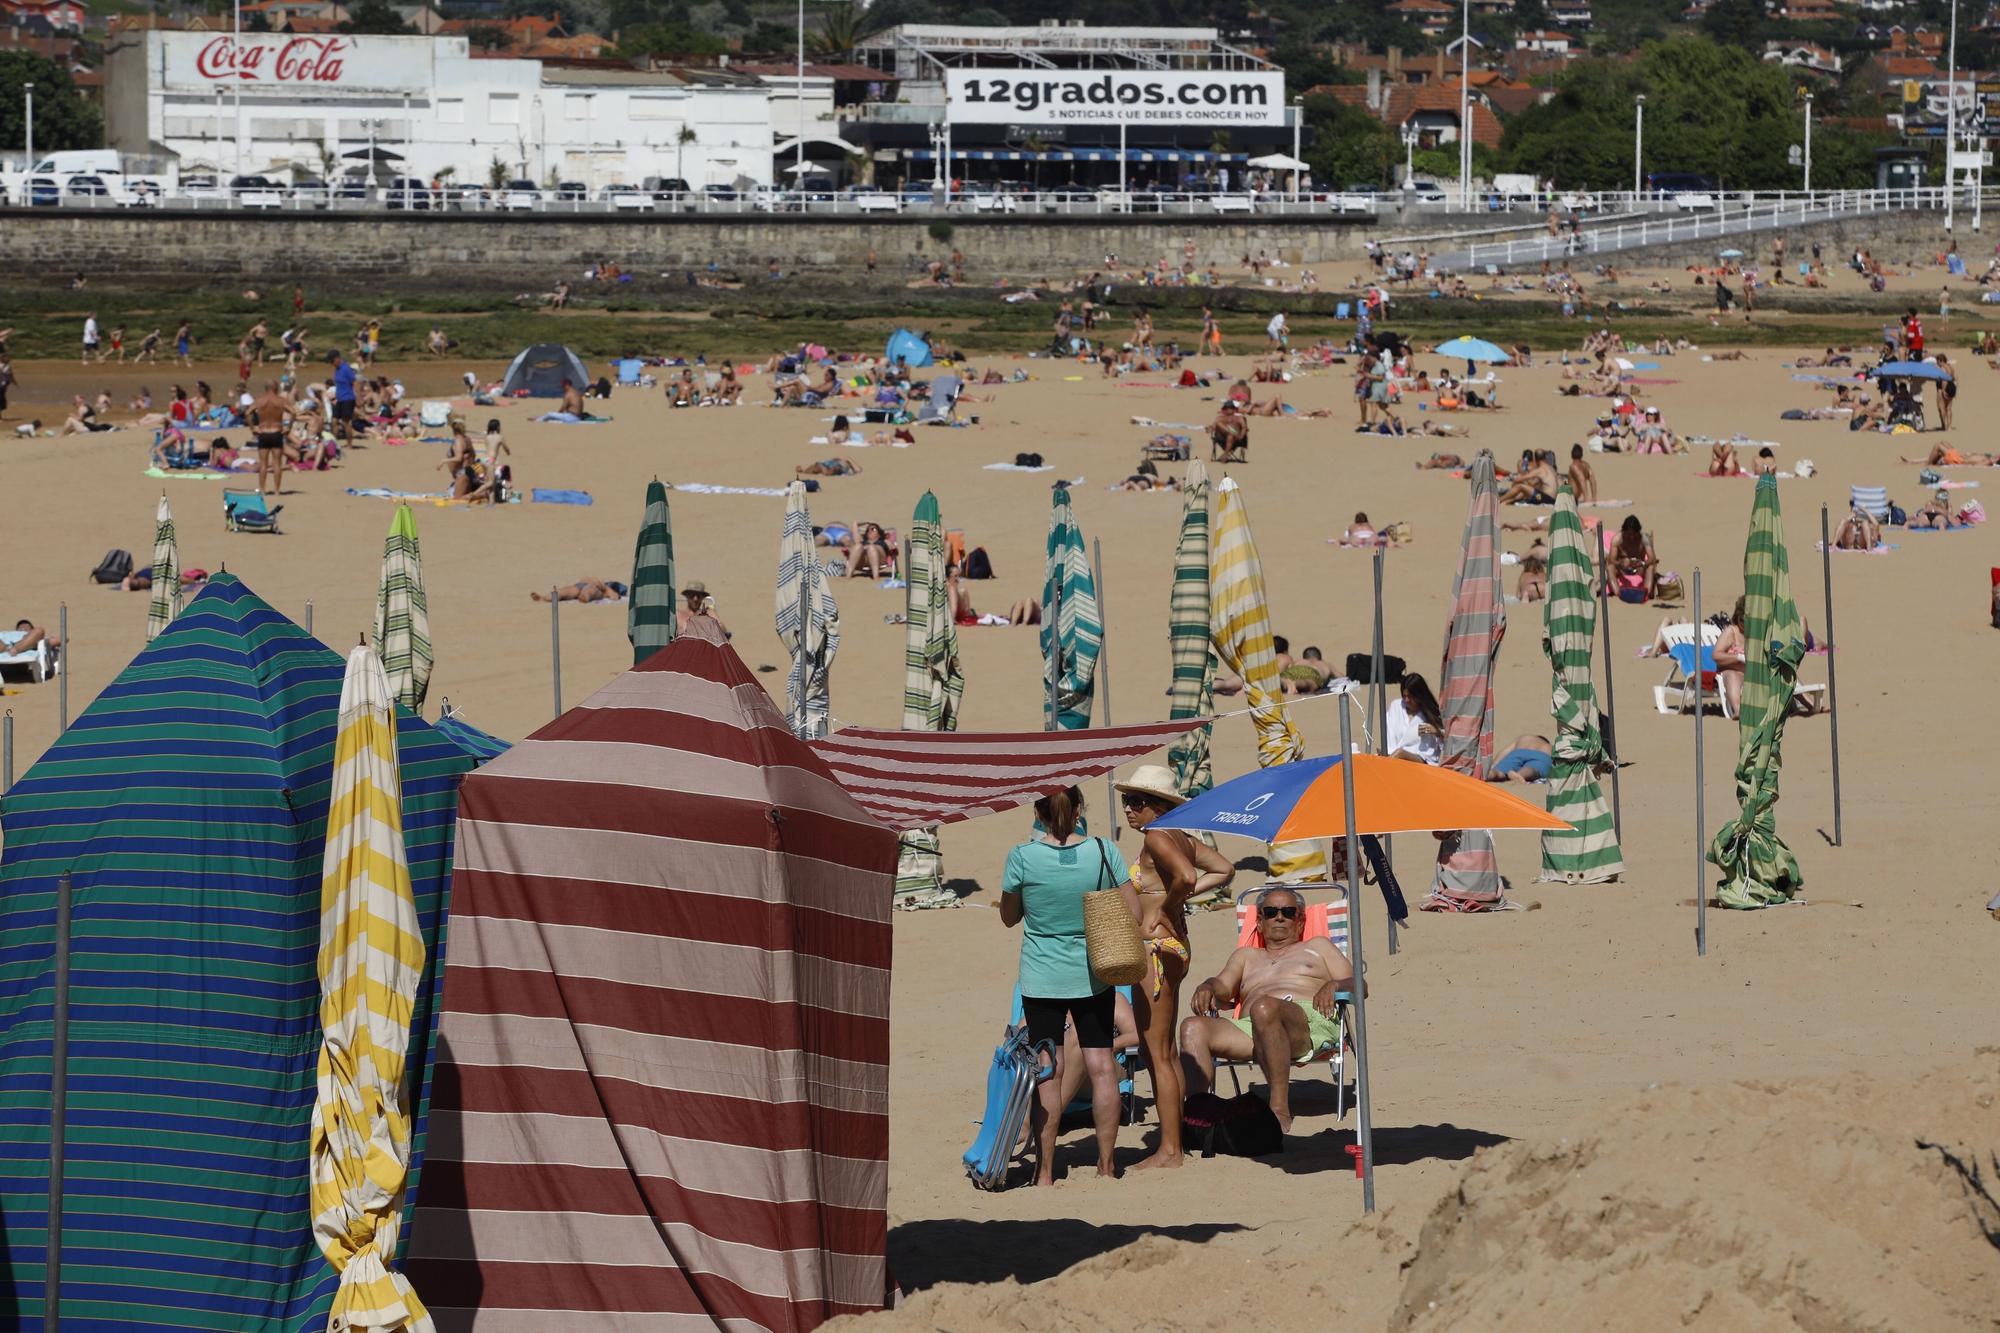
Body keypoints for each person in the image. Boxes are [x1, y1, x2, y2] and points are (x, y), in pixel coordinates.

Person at [999, 786, 1140, 1185]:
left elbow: (1010, 918)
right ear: (1080, 807)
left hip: (1043, 975)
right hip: (1093, 971)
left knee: (1050, 1071)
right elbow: (1133, 910)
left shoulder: (1022, 857)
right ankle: (1107, 1166)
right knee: (1101, 1066)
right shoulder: (1103, 850)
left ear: (1038, 813)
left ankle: (1044, 1172)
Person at [1115, 766, 1234, 1170]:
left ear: (1160, 806)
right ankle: (1177, 1135)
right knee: (1161, 1048)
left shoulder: (1158, 836)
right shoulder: (1182, 836)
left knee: (1158, 1052)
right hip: (1174, 947)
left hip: (1155, 951)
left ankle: (1170, 1150)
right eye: (1126, 801)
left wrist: (1166, 907)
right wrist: (1177, 902)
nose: (1129, 809)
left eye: (1137, 802)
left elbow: (1184, 876)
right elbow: (1224, 870)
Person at [1178, 886, 1353, 1134]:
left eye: (1288, 912)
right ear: (1259, 922)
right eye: (1271, 912)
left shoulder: (1319, 946)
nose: (1279, 917)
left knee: (1264, 1007)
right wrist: (1208, 985)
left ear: (1301, 921)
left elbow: (1357, 983)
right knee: (1192, 1027)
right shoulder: (1246, 956)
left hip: (1307, 1023)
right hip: (1251, 1026)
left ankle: (1278, 1110)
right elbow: (1223, 986)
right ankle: (1196, 1117)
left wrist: (1335, 984)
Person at [1384, 673, 1443, 764]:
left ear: (1419, 695)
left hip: (1422, 758)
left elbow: (1447, 741)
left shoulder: (1430, 713)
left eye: (1410, 697)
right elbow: (1389, 734)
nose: (1407, 700)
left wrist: (1436, 731)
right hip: (1394, 754)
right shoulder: (1396, 706)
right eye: (1404, 696)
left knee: (1400, 753)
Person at [248, 380, 293, 498]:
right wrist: (288, 427)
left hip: (263, 433)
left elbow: (247, 413)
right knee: (277, 464)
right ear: (275, 388)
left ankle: (262, 490)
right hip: (276, 432)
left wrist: (253, 428)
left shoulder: (259, 400)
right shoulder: (280, 401)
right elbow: (293, 412)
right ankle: (277, 491)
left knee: (263, 464)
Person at [1611, 515, 1658, 601]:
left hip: (1639, 568)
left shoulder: (1644, 539)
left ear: (1638, 532)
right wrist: (1621, 563)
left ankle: (1645, 593)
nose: (1631, 537)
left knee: (1650, 567)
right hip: (1622, 569)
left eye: (1634, 534)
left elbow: (1652, 558)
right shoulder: (1617, 539)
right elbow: (1611, 560)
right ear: (1624, 531)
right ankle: (1618, 593)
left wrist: (1642, 564)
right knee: (1609, 567)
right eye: (1628, 534)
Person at [1715, 596, 1748, 715]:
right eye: (1742, 620)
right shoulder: (1732, 632)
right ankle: (1738, 710)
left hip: (1752, 674)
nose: (1744, 624)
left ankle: (1807, 700)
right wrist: (1738, 657)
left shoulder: (1757, 634)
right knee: (1732, 676)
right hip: (1732, 671)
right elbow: (1716, 655)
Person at [1487, 734, 1553, 782]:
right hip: (1542, 755)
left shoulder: (1524, 738)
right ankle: (1521, 774)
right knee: (1533, 769)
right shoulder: (1549, 746)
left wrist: (1494, 765)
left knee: (1499, 772)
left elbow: (1504, 752)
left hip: (1520, 752)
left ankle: (1490, 775)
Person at [328, 350, 358, 452]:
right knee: (334, 421)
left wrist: (358, 397)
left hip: (348, 399)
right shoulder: (337, 369)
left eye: (332, 361)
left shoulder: (346, 369)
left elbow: (355, 382)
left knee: (346, 422)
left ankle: (350, 444)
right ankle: (333, 442)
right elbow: (339, 385)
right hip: (339, 399)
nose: (331, 363)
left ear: (337, 358)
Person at [531, 579, 628, 603]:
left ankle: (544, 598)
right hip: (593, 587)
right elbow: (614, 596)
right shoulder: (607, 588)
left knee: (565, 591)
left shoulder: (604, 587)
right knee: (591, 589)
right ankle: (585, 596)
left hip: (580, 585)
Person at [1936, 353, 1956, 432]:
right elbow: (1955, 378)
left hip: (1943, 388)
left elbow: (1944, 380)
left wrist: (1944, 390)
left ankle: (1944, 426)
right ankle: (1949, 426)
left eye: (1938, 361)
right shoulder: (1951, 368)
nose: (1937, 363)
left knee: (1941, 408)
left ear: (1941, 361)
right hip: (1952, 387)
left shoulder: (1943, 368)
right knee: (1949, 408)